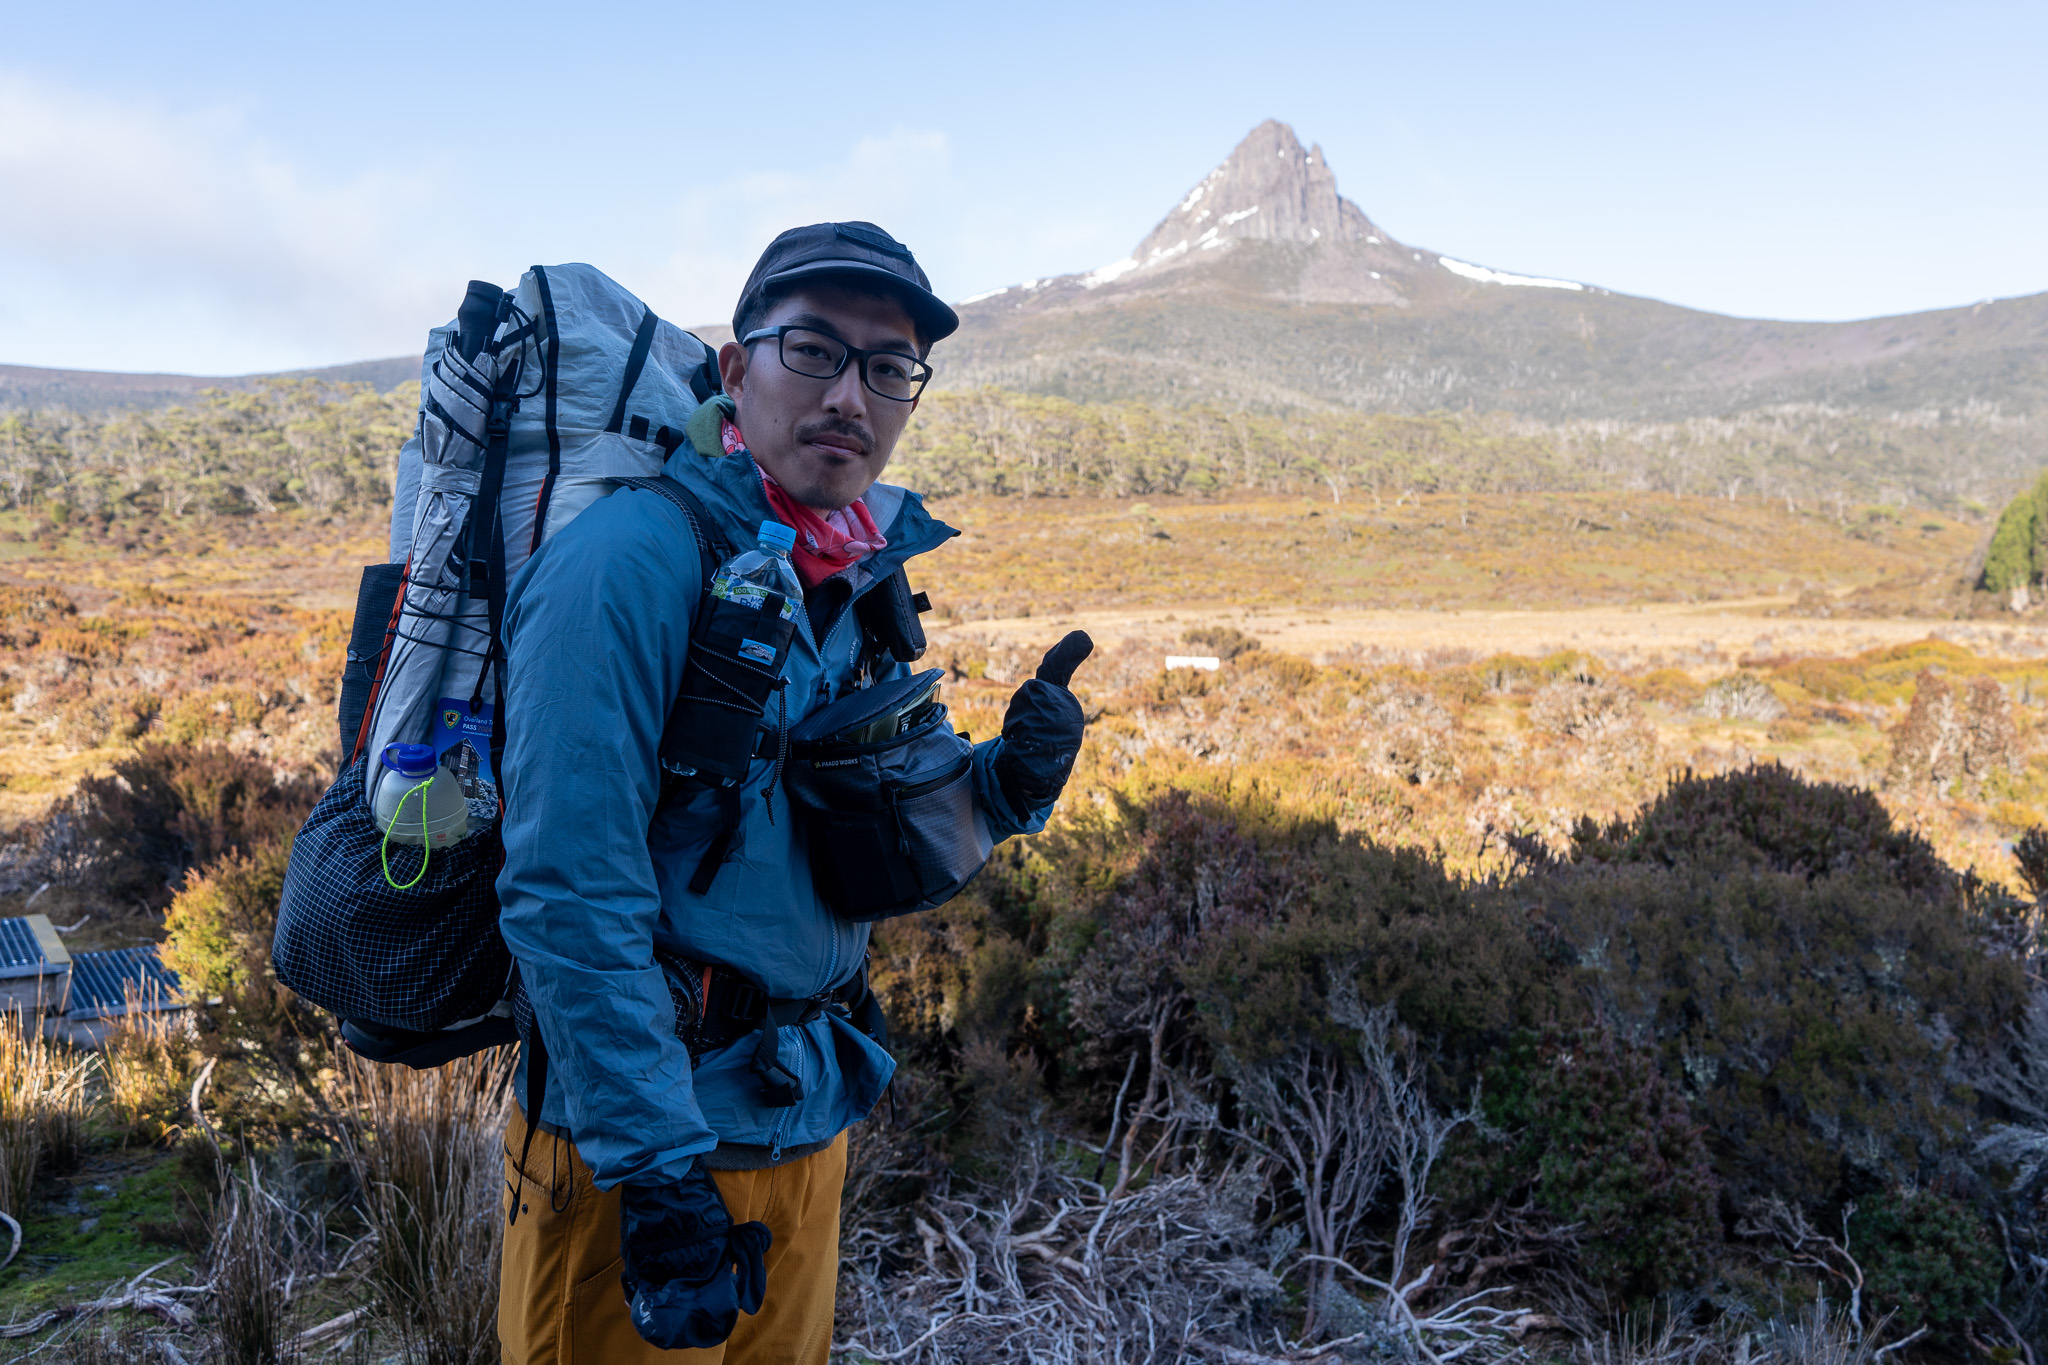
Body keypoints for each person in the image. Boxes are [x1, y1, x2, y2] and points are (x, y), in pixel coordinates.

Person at [494, 222, 1091, 1364]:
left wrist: (1003, 787)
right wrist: (659, 1174)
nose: (850, 396)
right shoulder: (628, 562)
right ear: (736, 369)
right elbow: (566, 891)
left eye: (889, 367)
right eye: (813, 350)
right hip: (640, 1160)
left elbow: (846, 853)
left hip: (801, 1127)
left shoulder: (851, 574)